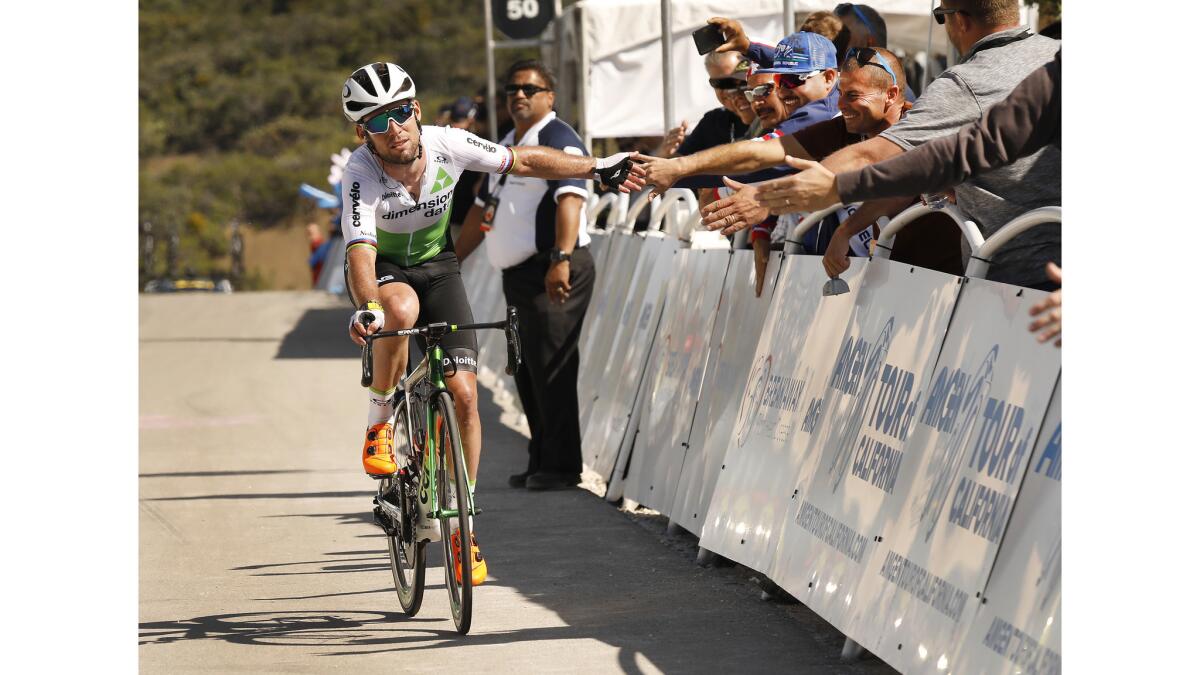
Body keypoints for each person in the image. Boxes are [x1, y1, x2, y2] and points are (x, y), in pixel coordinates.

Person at [339, 62, 643, 585]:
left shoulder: (447, 142)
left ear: (416, 109)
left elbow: (522, 160)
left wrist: (595, 167)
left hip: (439, 268)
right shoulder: (360, 172)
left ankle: (463, 526)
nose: (395, 128)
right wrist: (368, 305)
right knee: (401, 312)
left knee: (464, 396)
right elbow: (362, 253)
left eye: (401, 112)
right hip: (385, 275)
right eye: (378, 120)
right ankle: (378, 423)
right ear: (361, 132)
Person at [708, 0, 1061, 290]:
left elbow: (887, 158)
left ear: (959, 20)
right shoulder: (1057, 58)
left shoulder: (966, 84)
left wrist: (769, 197)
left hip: (1015, 286)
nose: (841, 103)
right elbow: (931, 164)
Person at [453, 60, 596, 492]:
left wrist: (560, 258)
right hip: (520, 275)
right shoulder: (508, 143)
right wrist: (450, 260)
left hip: (552, 268)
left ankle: (562, 466)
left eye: (530, 89)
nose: (519, 95)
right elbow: (483, 209)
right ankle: (541, 458)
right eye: (512, 88)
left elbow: (571, 201)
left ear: (549, 96)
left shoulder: (558, 140)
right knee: (529, 368)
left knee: (552, 366)